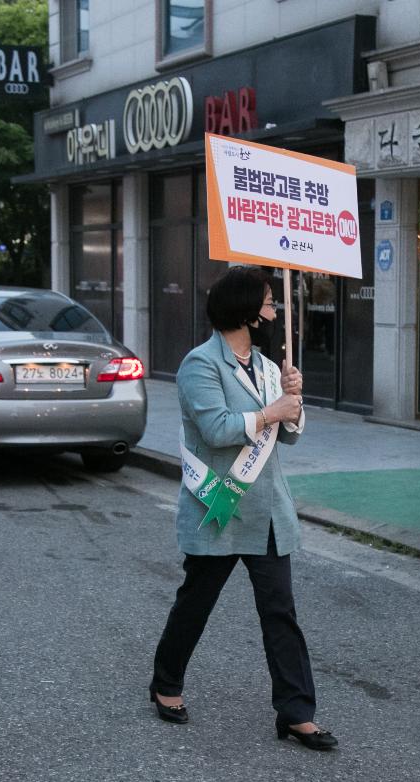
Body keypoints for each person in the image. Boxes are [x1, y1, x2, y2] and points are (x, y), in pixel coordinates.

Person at [149, 266, 337, 751]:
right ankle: (166, 682)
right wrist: (273, 410)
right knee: (197, 603)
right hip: (220, 504)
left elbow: (289, 436)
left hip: (269, 511)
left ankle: (297, 713)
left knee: (281, 612)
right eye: (270, 303)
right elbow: (217, 428)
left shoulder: (270, 366)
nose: (274, 311)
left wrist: (294, 400)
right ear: (248, 311)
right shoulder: (200, 364)